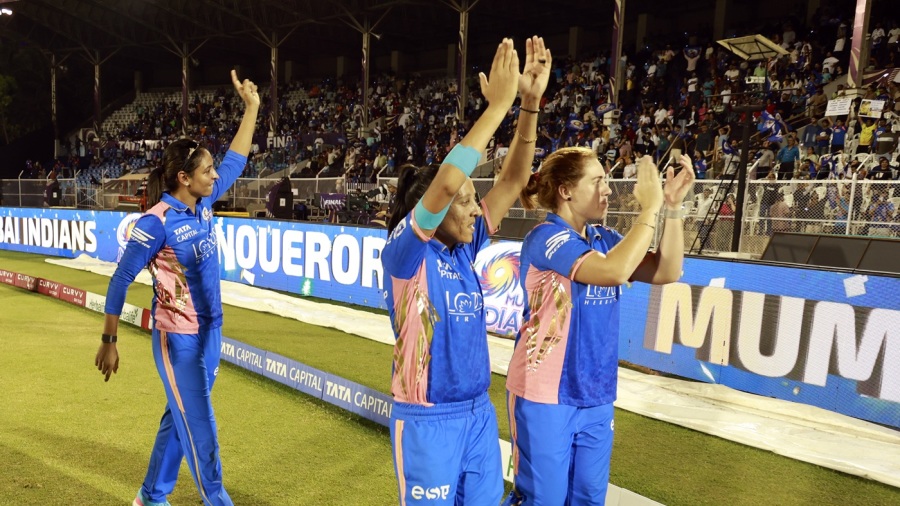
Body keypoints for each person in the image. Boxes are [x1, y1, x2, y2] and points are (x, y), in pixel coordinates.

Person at [382, 37, 551, 505]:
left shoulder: (463, 248)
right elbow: (445, 185)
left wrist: (528, 106)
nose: (478, 209)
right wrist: (495, 109)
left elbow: (513, 180)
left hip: (478, 415)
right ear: (432, 211)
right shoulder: (404, 257)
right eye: (467, 201)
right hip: (427, 420)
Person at [95, 70, 259, 506]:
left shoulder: (203, 202)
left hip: (212, 331)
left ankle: (151, 496)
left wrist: (252, 109)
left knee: (179, 416)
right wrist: (109, 340)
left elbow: (236, 160)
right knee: (201, 429)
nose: (214, 176)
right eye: (206, 170)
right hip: (178, 339)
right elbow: (120, 279)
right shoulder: (156, 223)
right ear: (184, 178)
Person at [503, 151, 694, 505]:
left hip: (596, 393)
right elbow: (613, 271)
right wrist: (649, 209)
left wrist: (671, 206)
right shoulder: (546, 237)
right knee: (543, 500)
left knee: (589, 499)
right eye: (597, 181)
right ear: (566, 191)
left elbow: (667, 271)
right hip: (544, 395)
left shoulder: (603, 238)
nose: (607, 189)